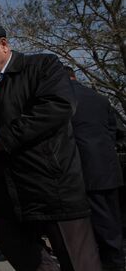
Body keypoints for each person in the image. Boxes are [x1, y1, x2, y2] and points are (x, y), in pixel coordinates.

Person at [0, 24, 101, 270]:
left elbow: (57, 107)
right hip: (7, 192)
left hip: (52, 184)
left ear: (4, 45)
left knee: (78, 260)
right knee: (14, 244)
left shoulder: (42, 67)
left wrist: (3, 138)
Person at [65, 66, 125, 270]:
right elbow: (116, 130)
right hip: (107, 168)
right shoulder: (99, 98)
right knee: (111, 225)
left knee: (89, 229)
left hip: (79, 170)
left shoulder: (61, 100)